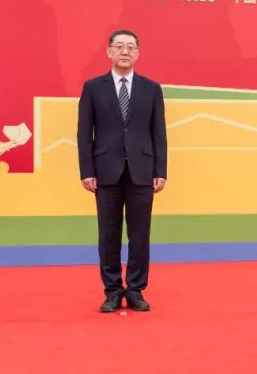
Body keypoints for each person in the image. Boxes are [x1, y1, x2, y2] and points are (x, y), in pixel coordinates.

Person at [77, 30, 167, 313]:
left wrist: (160, 169)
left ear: (137, 53)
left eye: (130, 47)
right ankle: (113, 291)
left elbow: (159, 133)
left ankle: (136, 289)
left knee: (140, 234)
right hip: (106, 170)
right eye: (119, 46)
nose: (125, 51)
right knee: (109, 233)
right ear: (109, 52)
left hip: (142, 170)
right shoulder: (93, 87)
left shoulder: (151, 89)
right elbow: (84, 134)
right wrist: (86, 170)